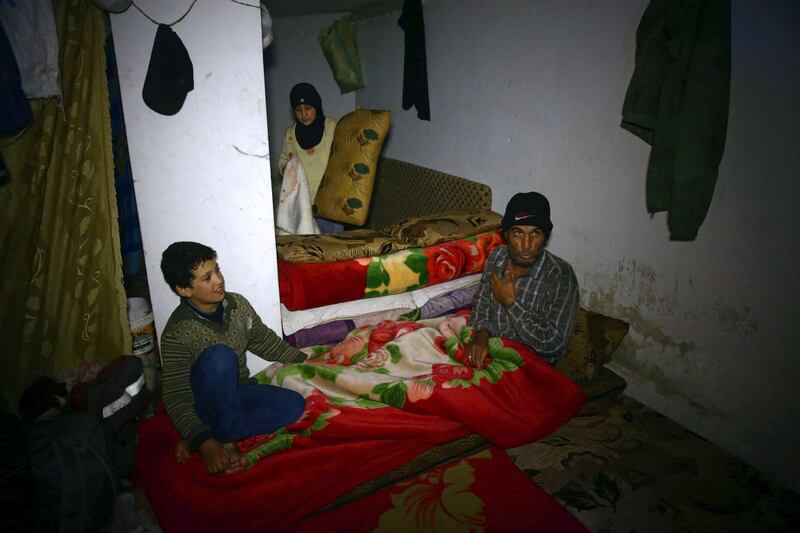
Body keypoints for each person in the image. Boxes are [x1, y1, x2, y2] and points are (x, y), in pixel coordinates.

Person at [159, 241, 308, 475]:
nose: (219, 280)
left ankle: (207, 434)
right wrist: (207, 444)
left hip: (237, 394)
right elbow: (176, 395)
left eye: (217, 270)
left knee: (294, 405)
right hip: (205, 404)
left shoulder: (237, 304)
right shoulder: (177, 333)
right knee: (220, 357)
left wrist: (304, 360)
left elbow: (263, 341)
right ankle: (224, 442)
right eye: (207, 278)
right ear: (185, 290)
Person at [466, 192, 579, 368]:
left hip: (529, 366)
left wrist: (511, 303)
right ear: (505, 234)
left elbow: (554, 345)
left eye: (535, 234)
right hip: (492, 349)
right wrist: (481, 336)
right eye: (518, 233)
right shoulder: (497, 257)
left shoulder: (560, 275)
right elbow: (482, 303)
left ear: (546, 237)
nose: (526, 245)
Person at [277, 82, 343, 233]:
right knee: (309, 249)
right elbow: (282, 161)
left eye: (308, 108)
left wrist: (358, 118)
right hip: (304, 205)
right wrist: (287, 168)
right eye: (298, 110)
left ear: (317, 106)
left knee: (332, 247)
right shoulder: (290, 135)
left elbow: (349, 146)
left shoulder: (332, 127)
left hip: (330, 204)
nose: (303, 114)